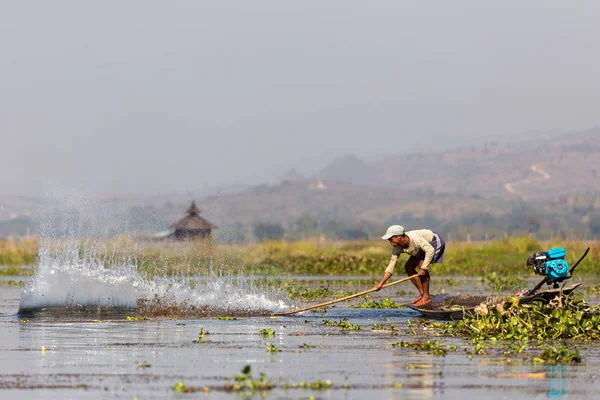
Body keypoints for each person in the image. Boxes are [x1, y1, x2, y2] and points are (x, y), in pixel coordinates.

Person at [373, 225, 445, 307]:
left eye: (391, 239)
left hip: (433, 242)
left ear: (399, 236)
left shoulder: (415, 239)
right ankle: (422, 293)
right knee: (408, 267)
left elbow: (430, 250)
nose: (391, 242)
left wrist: (424, 267)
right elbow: (391, 266)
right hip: (421, 249)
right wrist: (381, 283)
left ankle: (426, 297)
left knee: (422, 266)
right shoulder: (397, 248)